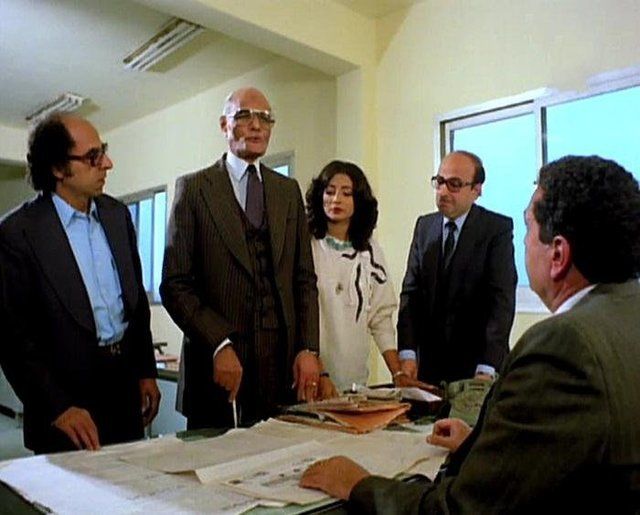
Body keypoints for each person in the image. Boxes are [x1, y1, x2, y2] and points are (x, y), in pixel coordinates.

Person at [301, 155, 640, 513]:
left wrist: (356, 484)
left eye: (529, 227)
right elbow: (561, 461)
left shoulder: (560, 349)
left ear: (558, 254)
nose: (525, 243)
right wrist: (477, 446)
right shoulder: (627, 316)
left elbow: (461, 509)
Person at [161, 87, 323, 430]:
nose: (256, 125)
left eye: (265, 118)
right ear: (224, 125)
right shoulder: (194, 189)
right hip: (219, 366)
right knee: (216, 459)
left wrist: (308, 349)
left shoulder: (287, 191)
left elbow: (304, 278)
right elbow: (176, 285)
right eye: (245, 116)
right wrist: (218, 342)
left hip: (282, 368)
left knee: (280, 458)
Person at [0, 114, 160, 454]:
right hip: (65, 404)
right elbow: (13, 338)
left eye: (103, 151)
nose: (107, 164)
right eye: (93, 157)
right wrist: (56, 407)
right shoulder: (18, 233)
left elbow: (136, 307)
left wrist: (146, 371)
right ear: (58, 168)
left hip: (124, 390)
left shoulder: (118, 216)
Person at [306, 160, 430, 393]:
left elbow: (380, 317)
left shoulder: (369, 250)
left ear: (359, 200)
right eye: (329, 192)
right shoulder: (306, 246)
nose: (336, 199)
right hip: (311, 378)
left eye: (346, 193)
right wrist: (319, 372)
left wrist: (397, 372)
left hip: (354, 382)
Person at [398, 150, 517, 384]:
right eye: (439, 182)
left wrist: (487, 366)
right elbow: (411, 294)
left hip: (478, 368)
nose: (443, 192)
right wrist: (408, 353)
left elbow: (500, 302)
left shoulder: (496, 229)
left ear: (476, 189)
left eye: (454, 184)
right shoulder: (425, 227)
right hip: (428, 367)